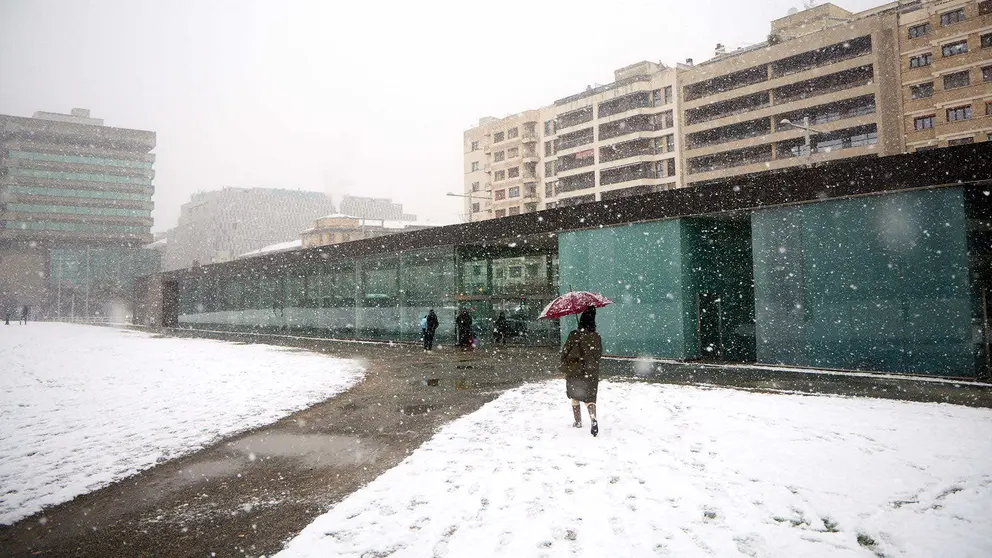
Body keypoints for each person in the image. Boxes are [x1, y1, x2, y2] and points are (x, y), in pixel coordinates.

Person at [559, 306, 603, 437]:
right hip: (591, 371)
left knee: (575, 396)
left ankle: (577, 422)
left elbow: (565, 351)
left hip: (575, 369)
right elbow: (598, 354)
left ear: (581, 321)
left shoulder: (574, 334)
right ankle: (593, 418)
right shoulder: (596, 336)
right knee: (590, 398)